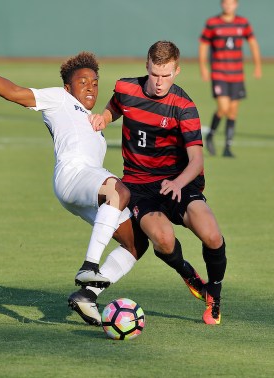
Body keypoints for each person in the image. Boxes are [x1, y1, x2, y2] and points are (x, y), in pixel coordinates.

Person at [0, 48, 148, 326]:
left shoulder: (94, 123)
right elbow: (15, 92)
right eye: (83, 82)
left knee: (136, 243)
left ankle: (88, 295)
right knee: (118, 190)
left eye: (95, 83)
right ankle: (89, 267)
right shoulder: (59, 99)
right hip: (73, 177)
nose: (90, 87)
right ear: (67, 86)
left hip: (87, 185)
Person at [90, 41, 227, 325]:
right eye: (155, 74)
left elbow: (196, 161)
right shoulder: (127, 89)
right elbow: (114, 107)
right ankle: (187, 272)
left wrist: (178, 183)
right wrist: (103, 118)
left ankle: (213, 292)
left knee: (212, 235)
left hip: (179, 183)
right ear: (147, 67)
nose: (159, 82)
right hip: (140, 187)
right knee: (163, 240)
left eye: (166, 75)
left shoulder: (184, 106)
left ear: (177, 71)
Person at [199, 0, 262, 157]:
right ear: (222, 5)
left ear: (236, 5)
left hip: (237, 74)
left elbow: (253, 44)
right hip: (219, 73)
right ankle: (210, 136)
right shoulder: (212, 23)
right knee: (223, 108)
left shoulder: (243, 23)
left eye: (231, 3)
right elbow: (203, 45)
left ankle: (227, 147)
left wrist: (257, 65)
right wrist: (203, 67)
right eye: (226, 3)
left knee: (233, 112)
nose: (228, 6)